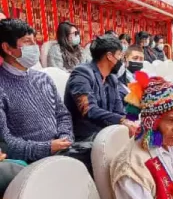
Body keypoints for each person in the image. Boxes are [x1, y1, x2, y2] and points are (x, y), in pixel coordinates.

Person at [0, 18, 73, 163]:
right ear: (8, 48)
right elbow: (5, 143)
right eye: (27, 42)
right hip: (30, 164)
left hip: (61, 151)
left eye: (35, 41)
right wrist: (46, 148)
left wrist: (65, 139)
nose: (35, 47)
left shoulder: (43, 78)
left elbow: (63, 114)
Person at [64, 36, 138, 141]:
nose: (122, 60)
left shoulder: (111, 78)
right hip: (85, 138)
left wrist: (129, 121)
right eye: (120, 55)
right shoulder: (81, 74)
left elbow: (119, 110)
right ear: (109, 56)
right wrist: (122, 120)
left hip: (106, 133)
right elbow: (89, 110)